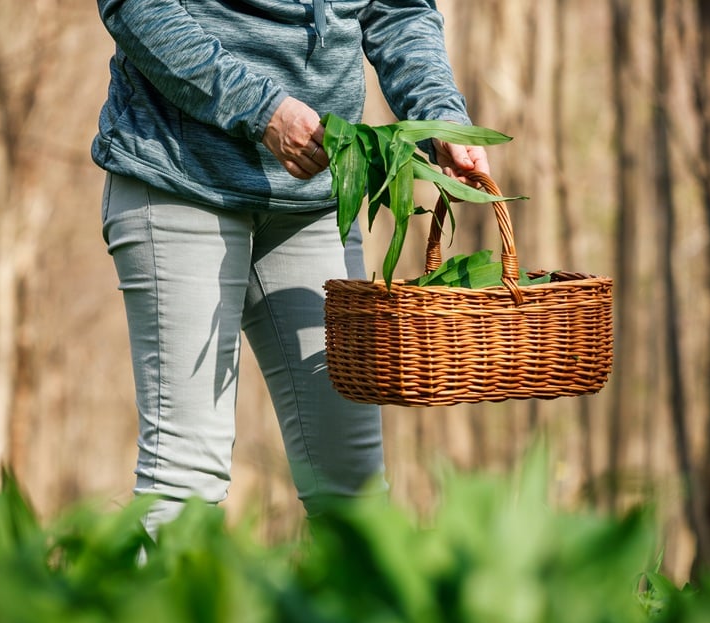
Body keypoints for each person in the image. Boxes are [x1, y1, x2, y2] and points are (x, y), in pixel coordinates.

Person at [92, 0, 491, 535]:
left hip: (314, 197)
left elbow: (397, 11)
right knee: (185, 476)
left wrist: (439, 115)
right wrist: (263, 110)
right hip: (181, 175)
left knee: (353, 493)